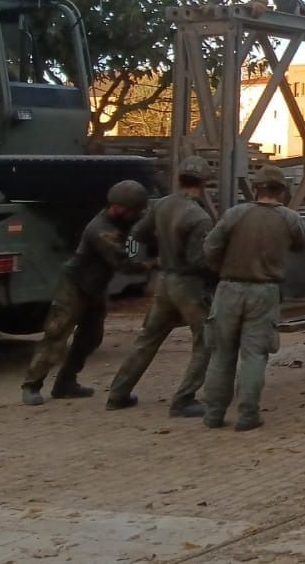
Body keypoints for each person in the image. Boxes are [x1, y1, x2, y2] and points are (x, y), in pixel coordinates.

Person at [105, 156, 218, 417]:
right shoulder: (200, 218)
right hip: (188, 285)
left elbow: (137, 235)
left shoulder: (162, 205)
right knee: (205, 341)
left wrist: (141, 261)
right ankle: (184, 399)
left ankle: (118, 393)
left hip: (164, 282)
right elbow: (198, 261)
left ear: (179, 179)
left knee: (147, 338)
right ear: (204, 183)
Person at [20, 181, 151, 406]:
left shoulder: (123, 222)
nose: (136, 215)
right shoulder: (100, 230)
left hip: (95, 287)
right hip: (75, 286)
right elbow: (123, 262)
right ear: (119, 207)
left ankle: (66, 383)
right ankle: (31, 385)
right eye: (134, 211)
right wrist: (151, 264)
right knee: (56, 335)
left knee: (91, 337)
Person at [200, 165, 305, 431]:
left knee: (221, 353)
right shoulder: (289, 218)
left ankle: (214, 414)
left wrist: (221, 270)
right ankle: (248, 414)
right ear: (282, 191)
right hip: (264, 291)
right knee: (254, 355)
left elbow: (210, 246)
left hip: (228, 289)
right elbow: (302, 245)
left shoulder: (235, 214)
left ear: (256, 188)